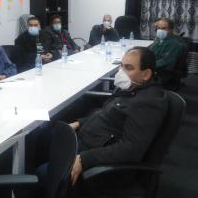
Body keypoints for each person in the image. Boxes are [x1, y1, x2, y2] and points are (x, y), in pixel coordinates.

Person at [68, 47, 168, 193]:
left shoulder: (148, 102)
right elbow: (105, 113)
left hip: (98, 160)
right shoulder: (132, 88)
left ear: (146, 74)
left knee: (47, 174)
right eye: (121, 65)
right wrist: (79, 123)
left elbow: (131, 149)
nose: (121, 72)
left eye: (129, 68)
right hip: (88, 142)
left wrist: (85, 159)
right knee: (48, 137)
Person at [150, 17, 184, 88]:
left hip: (161, 71)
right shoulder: (159, 40)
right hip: (153, 66)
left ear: (171, 30)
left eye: (164, 28)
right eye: (158, 28)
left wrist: (148, 65)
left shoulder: (175, 44)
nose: (160, 30)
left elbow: (166, 62)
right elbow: (151, 52)